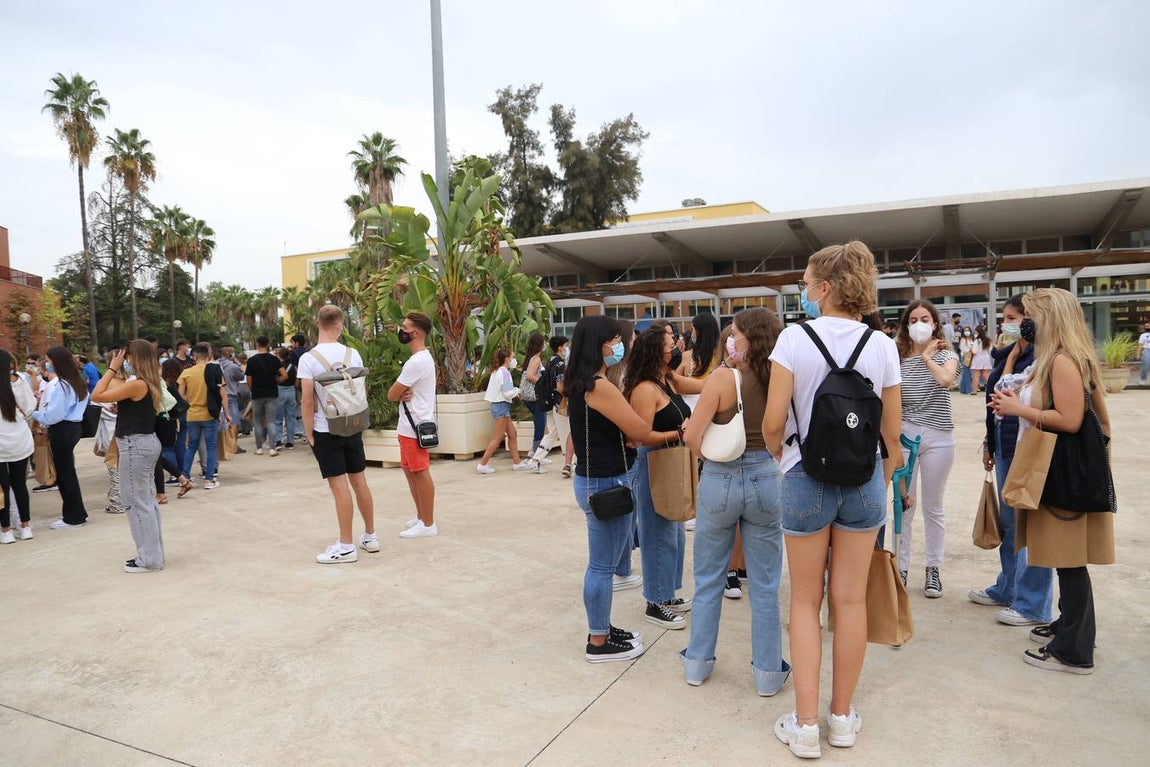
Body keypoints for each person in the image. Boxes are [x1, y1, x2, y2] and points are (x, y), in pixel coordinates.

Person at [763, 242, 902, 758]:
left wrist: (784, 457)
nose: (803, 290)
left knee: (804, 600)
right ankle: (841, 718)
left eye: (805, 283)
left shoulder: (793, 339)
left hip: (805, 476)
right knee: (850, 600)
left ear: (824, 288)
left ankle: (804, 726)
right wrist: (880, 479)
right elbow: (892, 432)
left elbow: (773, 422)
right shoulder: (881, 344)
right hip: (863, 480)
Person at [990, 288, 1114, 674]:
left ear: (1049, 317)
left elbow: (1070, 420)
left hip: (1061, 472)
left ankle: (1074, 650)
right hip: (1062, 471)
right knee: (1064, 556)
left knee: (1068, 558)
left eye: (1030, 314)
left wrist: (1019, 409)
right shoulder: (1061, 357)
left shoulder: (1062, 360)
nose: (1024, 322)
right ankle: (1069, 625)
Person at [682, 306, 791, 695]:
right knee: (765, 583)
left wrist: (711, 457)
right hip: (765, 475)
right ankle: (767, 674)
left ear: (749, 337)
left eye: (735, 334)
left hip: (720, 477)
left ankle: (697, 663)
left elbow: (692, 437)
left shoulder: (721, 379)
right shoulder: (780, 378)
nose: (730, 340)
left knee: (708, 578)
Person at [566, 315, 651, 662]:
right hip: (606, 483)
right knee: (602, 567)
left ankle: (602, 627)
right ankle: (598, 641)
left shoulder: (580, 382)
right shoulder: (600, 386)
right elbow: (639, 429)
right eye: (615, 340)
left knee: (603, 562)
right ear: (598, 345)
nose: (621, 345)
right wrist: (635, 430)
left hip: (594, 479)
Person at [970, 293, 1053, 626]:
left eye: (1014, 318)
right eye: (1004, 318)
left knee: (1029, 526)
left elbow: (1011, 395)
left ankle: (1032, 603)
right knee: (1010, 524)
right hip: (1005, 444)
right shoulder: (1009, 353)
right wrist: (989, 444)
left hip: (1027, 447)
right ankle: (1009, 587)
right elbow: (996, 400)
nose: (1008, 324)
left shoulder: (1043, 356)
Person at [623, 322, 703, 630]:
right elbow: (640, 436)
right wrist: (678, 433)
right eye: (671, 345)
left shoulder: (666, 379)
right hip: (654, 460)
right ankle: (654, 601)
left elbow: (699, 386)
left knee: (674, 531)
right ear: (657, 352)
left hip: (672, 458)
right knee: (658, 532)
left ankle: (666, 593)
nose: (677, 348)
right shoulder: (645, 389)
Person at [300, 305, 376, 563]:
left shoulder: (309, 358)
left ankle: (346, 546)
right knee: (359, 481)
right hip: (352, 424)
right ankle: (370, 535)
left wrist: (309, 432)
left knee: (339, 487)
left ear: (317, 323)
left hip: (326, 428)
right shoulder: (353, 354)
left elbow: (307, 400)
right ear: (340, 325)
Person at [894, 300, 959, 595]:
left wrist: (927, 357)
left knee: (933, 507)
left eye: (925, 319)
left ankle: (933, 569)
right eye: (913, 320)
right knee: (904, 505)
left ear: (934, 323)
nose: (919, 324)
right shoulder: (896, 356)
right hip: (905, 436)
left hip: (938, 437)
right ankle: (901, 568)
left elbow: (945, 380)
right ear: (906, 324)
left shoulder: (946, 354)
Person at [91, 341, 167, 573]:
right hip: (144, 443)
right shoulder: (149, 382)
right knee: (146, 502)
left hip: (136, 445)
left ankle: (149, 559)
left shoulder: (137, 384)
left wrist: (111, 368)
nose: (125, 361)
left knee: (136, 503)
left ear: (137, 358)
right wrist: (123, 408)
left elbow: (96, 394)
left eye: (128, 357)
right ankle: (153, 554)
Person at [388, 311, 438, 539]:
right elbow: (398, 392)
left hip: (414, 425)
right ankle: (421, 517)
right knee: (411, 472)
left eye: (405, 327)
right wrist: (401, 393)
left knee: (420, 473)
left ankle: (428, 524)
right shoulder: (421, 359)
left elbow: (392, 393)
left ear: (416, 333)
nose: (402, 330)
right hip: (409, 425)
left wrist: (399, 393)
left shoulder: (416, 362)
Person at [31, 347, 91, 529]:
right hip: (72, 428)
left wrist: (34, 414)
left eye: (48, 360)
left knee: (65, 474)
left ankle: (73, 517)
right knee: (67, 472)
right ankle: (77, 512)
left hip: (62, 428)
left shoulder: (62, 385)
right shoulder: (76, 381)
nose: (47, 364)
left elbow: (54, 415)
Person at [178, 344, 229, 490]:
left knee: (191, 447)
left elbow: (180, 395)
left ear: (194, 357)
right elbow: (223, 394)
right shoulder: (215, 371)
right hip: (210, 414)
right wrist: (227, 413)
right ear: (208, 356)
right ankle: (209, 479)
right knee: (211, 447)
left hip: (192, 415)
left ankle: (185, 478)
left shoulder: (186, 373)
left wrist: (190, 400)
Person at [0, 350, 35, 543]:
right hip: (20, 440)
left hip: (1, 443)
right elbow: (30, 408)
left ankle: (6, 531)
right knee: (20, 485)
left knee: (2, 489)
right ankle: (26, 527)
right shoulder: (20, 382)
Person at [476, 350, 529, 474]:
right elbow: (507, 392)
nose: (514, 360)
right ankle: (482, 464)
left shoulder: (497, 371)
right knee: (497, 438)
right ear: (507, 359)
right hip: (501, 406)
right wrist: (517, 391)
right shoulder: (504, 372)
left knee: (512, 434)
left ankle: (517, 462)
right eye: (512, 357)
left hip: (499, 405)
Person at [159, 359, 195, 499]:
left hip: (173, 417)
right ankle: (183, 473)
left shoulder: (166, 385)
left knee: (168, 448)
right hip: (184, 414)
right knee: (181, 446)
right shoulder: (180, 381)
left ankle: (174, 476)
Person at [246, 336, 286, 457]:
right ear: (268, 345)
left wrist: (253, 389)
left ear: (257, 344)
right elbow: (284, 375)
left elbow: (249, 380)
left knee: (257, 421)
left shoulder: (251, 360)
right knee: (271, 421)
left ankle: (259, 448)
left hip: (257, 393)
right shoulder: (274, 359)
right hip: (271, 393)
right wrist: (276, 382)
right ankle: (272, 448)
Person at [677, 312, 721, 411]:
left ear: (700, 332)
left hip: (691, 411)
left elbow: (673, 384)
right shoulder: (723, 356)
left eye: (693, 329)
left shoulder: (687, 357)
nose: (691, 333)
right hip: (716, 409)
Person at [521, 333, 551, 461]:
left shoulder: (530, 358)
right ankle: (536, 454)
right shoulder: (536, 359)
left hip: (529, 397)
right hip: (536, 396)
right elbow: (530, 376)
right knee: (540, 424)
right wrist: (542, 384)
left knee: (541, 424)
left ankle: (537, 452)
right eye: (544, 343)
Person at [274, 347, 297, 450]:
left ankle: (278, 441)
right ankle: (290, 442)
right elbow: (297, 381)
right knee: (290, 417)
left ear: (279, 355)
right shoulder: (293, 367)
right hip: (291, 390)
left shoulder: (278, 366)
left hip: (280, 391)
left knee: (278, 417)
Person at [970, 325, 993, 394]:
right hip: (986, 358)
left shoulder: (977, 341)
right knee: (986, 375)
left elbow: (974, 351)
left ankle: (974, 391)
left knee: (976, 376)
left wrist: (971, 349)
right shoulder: (988, 340)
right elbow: (990, 350)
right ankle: (992, 389)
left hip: (977, 358)